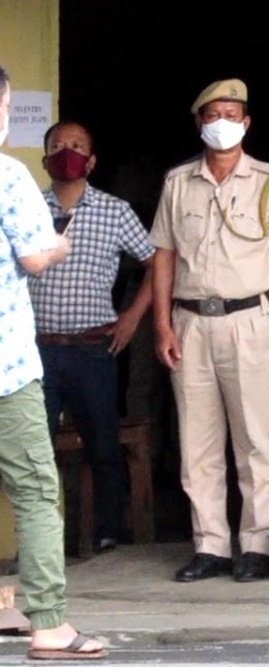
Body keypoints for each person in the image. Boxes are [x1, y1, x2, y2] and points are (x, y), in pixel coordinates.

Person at [150, 79, 269, 583]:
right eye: (212, 116)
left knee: (253, 438)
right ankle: (210, 545)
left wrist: (268, 270)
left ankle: (257, 544)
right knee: (197, 443)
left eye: (231, 115)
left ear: (246, 124)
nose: (221, 124)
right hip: (189, 321)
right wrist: (161, 324)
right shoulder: (177, 182)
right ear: (199, 123)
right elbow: (163, 254)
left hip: (246, 319)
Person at [0, 61, 109, 661]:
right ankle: (48, 626)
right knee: (37, 490)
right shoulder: (8, 175)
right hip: (7, 368)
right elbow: (37, 258)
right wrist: (59, 244)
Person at [29, 120, 156, 554]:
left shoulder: (114, 211)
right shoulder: (27, 207)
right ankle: (43, 542)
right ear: (45, 159)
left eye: (77, 145)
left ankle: (107, 534)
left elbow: (158, 261)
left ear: (92, 160)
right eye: (57, 146)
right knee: (35, 450)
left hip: (93, 348)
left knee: (102, 444)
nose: (67, 152)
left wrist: (133, 316)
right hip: (37, 350)